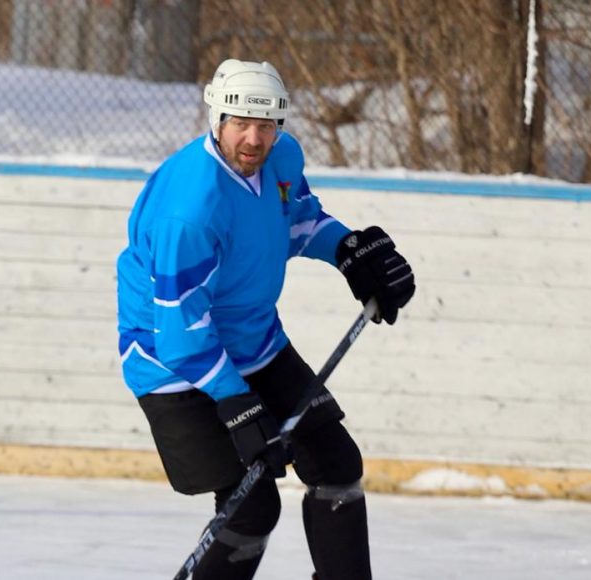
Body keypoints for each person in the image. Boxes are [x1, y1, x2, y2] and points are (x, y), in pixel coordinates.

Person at [115, 59, 415, 579]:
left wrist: (346, 250)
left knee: (336, 462)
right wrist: (236, 404)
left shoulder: (282, 158)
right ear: (217, 119)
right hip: (174, 364)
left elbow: (296, 220)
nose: (254, 139)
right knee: (252, 506)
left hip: (256, 343)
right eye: (240, 123)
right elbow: (181, 334)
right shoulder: (190, 211)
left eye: (266, 124)